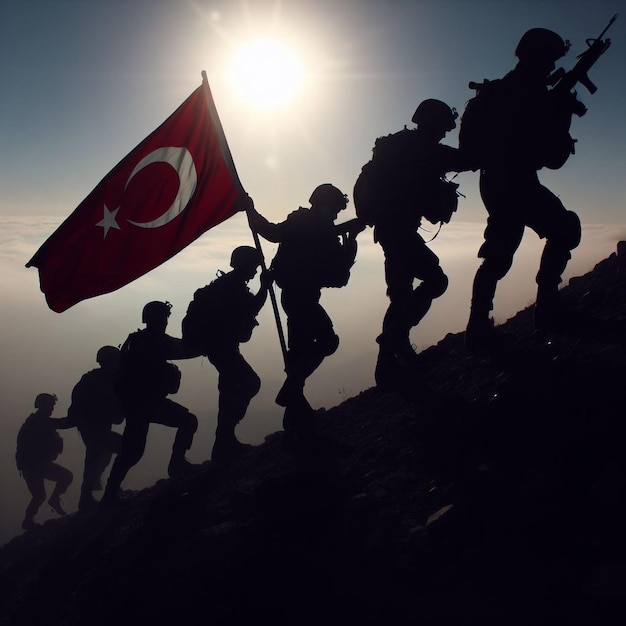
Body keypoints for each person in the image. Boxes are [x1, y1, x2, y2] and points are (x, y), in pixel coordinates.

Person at [463, 28, 582, 353]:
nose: (550, 66)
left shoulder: (500, 91)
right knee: (564, 228)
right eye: (549, 59)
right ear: (538, 57)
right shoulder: (532, 95)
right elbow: (554, 157)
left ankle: (477, 328)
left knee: (499, 255)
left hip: (495, 182)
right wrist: (563, 115)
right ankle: (547, 308)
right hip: (516, 181)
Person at [355, 99, 471, 385]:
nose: (445, 133)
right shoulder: (424, 149)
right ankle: (393, 340)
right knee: (435, 281)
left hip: (389, 230)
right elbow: (466, 160)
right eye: (443, 127)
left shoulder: (399, 146)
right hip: (400, 232)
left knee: (401, 297)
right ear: (433, 123)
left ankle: (387, 368)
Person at [248, 184, 364, 434]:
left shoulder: (322, 232)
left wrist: (350, 240)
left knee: (299, 353)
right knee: (327, 341)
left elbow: (337, 275)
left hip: (301, 296)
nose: (335, 215)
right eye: (334, 209)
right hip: (299, 296)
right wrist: (251, 212)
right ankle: (292, 392)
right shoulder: (304, 224)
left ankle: (295, 417)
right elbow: (272, 232)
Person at [101, 301, 199, 506]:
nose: (164, 322)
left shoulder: (139, 340)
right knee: (133, 451)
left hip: (140, 403)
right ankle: (110, 494)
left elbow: (182, 349)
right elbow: (183, 350)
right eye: (162, 318)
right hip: (142, 403)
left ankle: (110, 493)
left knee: (133, 451)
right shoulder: (152, 342)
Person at [182, 246, 271, 462]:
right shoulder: (231, 287)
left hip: (221, 346)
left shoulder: (230, 285)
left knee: (231, 389)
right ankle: (224, 441)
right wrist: (264, 288)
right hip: (221, 347)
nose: (255, 271)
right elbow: (250, 310)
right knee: (250, 383)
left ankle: (224, 442)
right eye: (254, 266)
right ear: (245, 265)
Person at [68, 346, 124, 512]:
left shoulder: (101, 379)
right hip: (93, 428)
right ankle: (108, 491)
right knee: (122, 449)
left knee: (98, 458)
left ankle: (88, 497)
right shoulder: (94, 381)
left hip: (94, 428)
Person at [16, 393, 73, 530]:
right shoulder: (39, 422)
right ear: (43, 406)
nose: (52, 409)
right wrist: (80, 417)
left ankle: (28, 520)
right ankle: (31, 518)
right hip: (34, 467)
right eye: (50, 406)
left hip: (35, 466)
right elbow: (63, 423)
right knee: (43, 492)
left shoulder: (35, 421)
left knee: (39, 495)